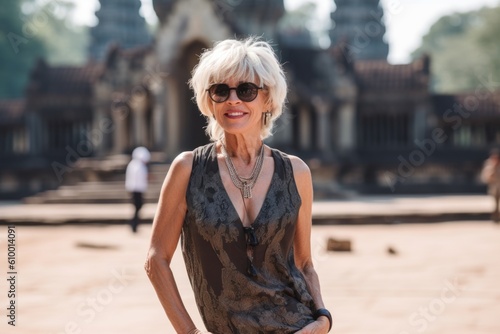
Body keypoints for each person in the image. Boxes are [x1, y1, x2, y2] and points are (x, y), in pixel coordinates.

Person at [145, 37, 332, 333]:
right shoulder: (188, 169)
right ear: (209, 101)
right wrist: (189, 332)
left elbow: (305, 262)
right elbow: (156, 260)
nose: (233, 99)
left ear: (267, 99)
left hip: (298, 326)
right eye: (221, 90)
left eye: (246, 90)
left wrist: (322, 319)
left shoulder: (297, 172)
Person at [125, 146, 150, 233]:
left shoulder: (133, 164)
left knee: (137, 208)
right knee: (137, 207)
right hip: (137, 190)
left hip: (136, 189)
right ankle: (134, 225)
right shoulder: (138, 166)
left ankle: (134, 225)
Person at [481, 148, 500, 223]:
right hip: (494, 187)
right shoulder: (489, 164)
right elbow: (486, 176)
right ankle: (495, 217)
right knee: (495, 203)